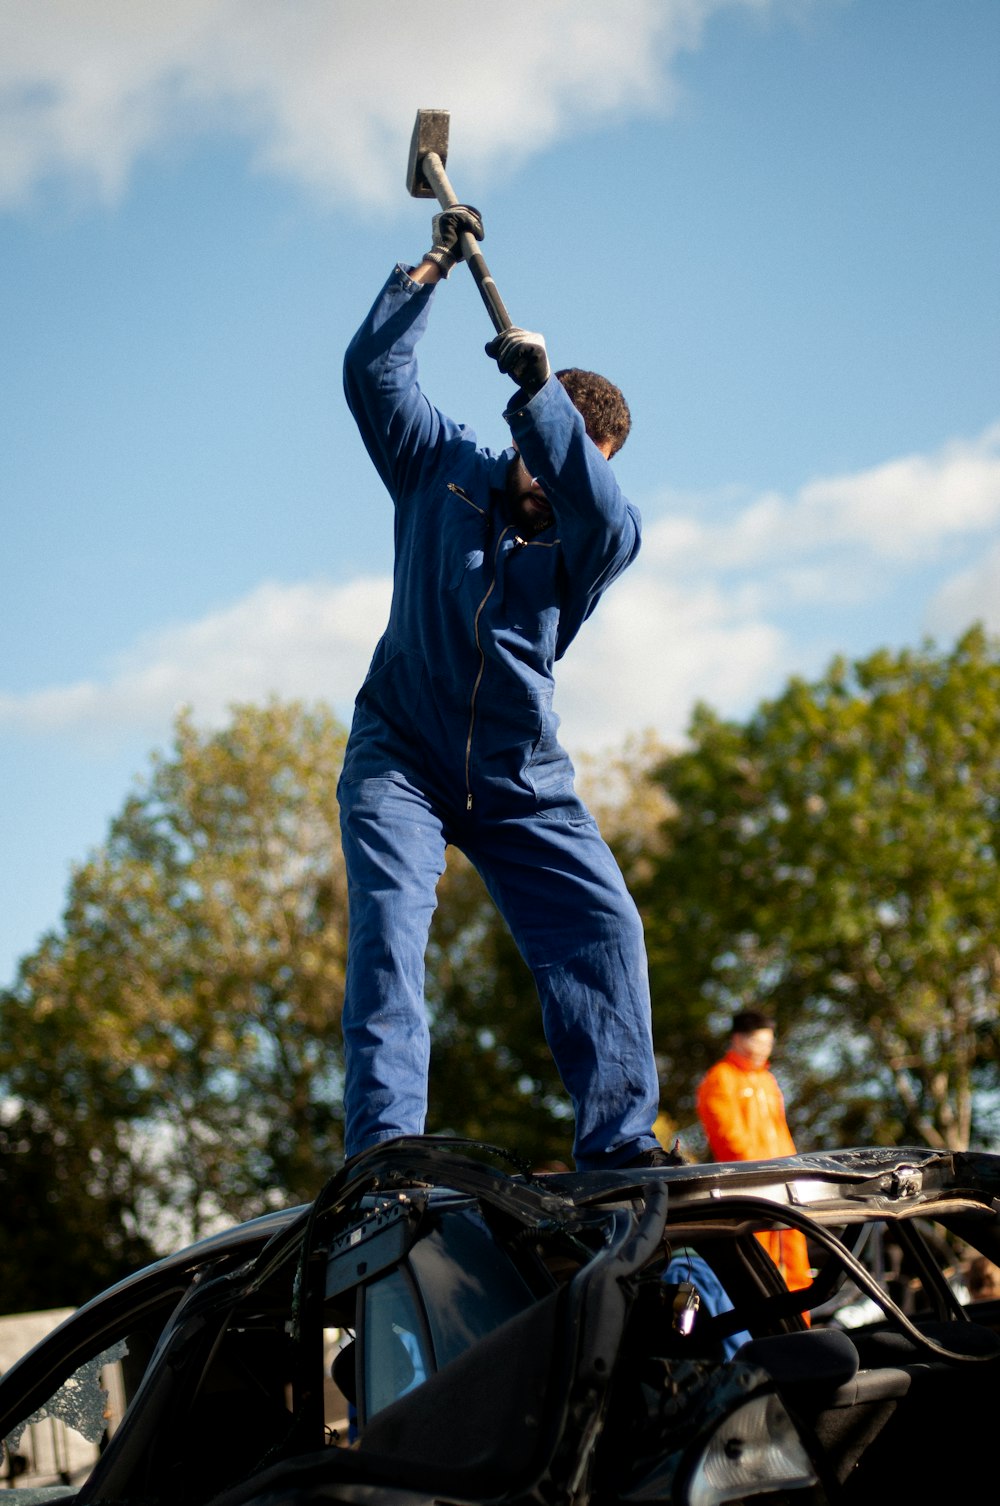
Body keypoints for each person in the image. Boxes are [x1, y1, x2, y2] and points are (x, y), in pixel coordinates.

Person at [338, 203, 671, 1172]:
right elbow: (373, 377)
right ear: (509, 436)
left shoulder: (594, 539)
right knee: (390, 940)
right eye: (541, 467)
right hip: (400, 755)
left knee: (604, 926)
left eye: (570, 473)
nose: (546, 489)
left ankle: (617, 1153)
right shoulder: (437, 467)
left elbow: (605, 514)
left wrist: (547, 407)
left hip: (520, 776)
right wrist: (430, 271)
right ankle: (385, 1156)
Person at [696, 1010, 812, 1304]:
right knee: (760, 1267)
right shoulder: (720, 1079)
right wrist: (765, 1173)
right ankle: (765, 1340)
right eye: (758, 1042)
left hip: (785, 1185)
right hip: (753, 1188)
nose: (764, 1049)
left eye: (769, 1043)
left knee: (796, 1264)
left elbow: (780, 1131)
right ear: (738, 1039)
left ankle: (802, 1334)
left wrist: (794, 1170)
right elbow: (729, 1139)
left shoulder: (767, 1080)